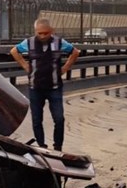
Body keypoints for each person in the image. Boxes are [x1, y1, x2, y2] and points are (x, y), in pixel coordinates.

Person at [10, 18, 80, 150]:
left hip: (54, 87)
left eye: (45, 33)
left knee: (59, 119)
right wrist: (25, 66)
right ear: (35, 31)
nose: (42, 36)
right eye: (39, 33)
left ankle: (57, 147)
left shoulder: (59, 42)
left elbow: (75, 52)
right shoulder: (29, 42)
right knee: (37, 120)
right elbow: (14, 51)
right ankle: (41, 145)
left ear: (52, 31)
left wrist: (65, 68)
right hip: (35, 88)